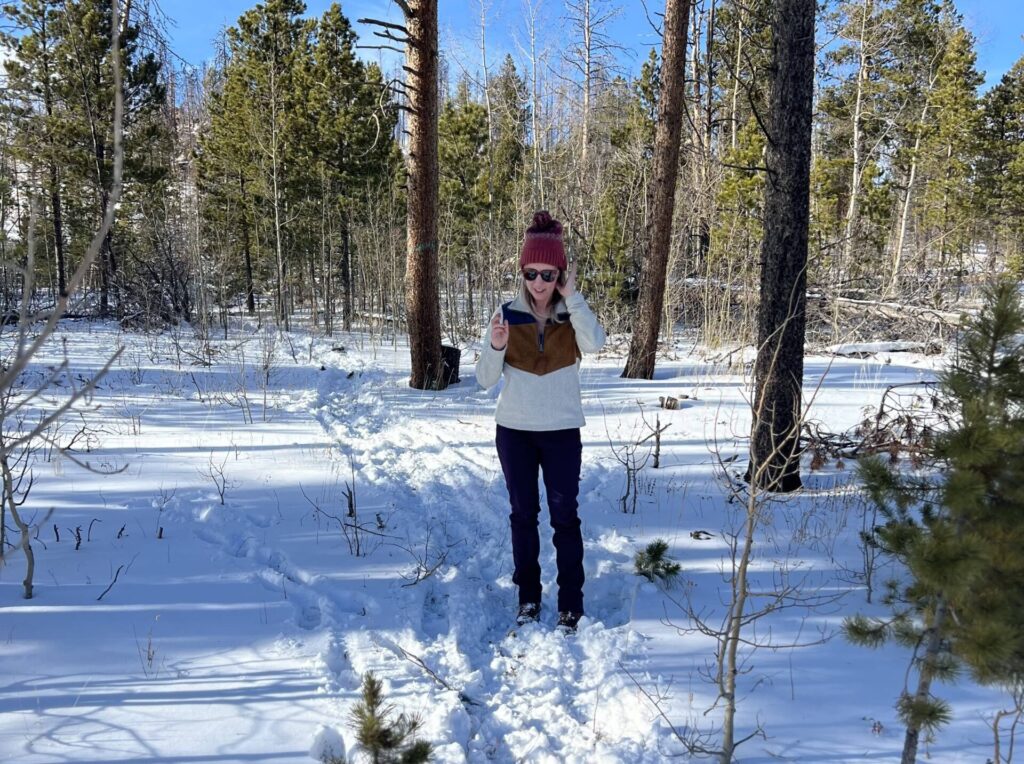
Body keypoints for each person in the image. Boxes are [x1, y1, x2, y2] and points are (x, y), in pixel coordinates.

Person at [476, 210, 606, 633]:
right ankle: (528, 598)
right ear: (523, 271)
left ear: (560, 275)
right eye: (531, 273)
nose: (538, 283)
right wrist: (496, 346)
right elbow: (483, 380)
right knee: (523, 515)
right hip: (514, 433)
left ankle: (571, 603)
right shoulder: (505, 315)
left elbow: (597, 346)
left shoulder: (573, 315)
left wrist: (575, 299)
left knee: (565, 517)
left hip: (562, 433)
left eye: (548, 274)